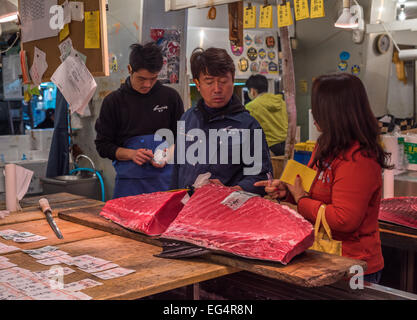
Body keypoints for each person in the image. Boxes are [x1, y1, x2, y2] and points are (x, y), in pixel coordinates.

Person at [255, 73, 390, 284]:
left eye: (319, 108)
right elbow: (313, 189)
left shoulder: (359, 157)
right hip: (324, 259)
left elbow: (344, 219)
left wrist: (301, 200)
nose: (314, 114)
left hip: (353, 267)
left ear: (335, 112)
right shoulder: (326, 144)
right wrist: (288, 192)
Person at [171, 47, 272, 195]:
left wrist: (229, 191)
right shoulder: (187, 118)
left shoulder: (248, 125)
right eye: (209, 82)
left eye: (223, 81)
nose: (217, 89)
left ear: (233, 80)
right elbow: (177, 169)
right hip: (186, 209)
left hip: (227, 211)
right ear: (197, 84)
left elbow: (261, 177)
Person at [95, 42, 184, 198]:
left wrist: (166, 153)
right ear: (130, 69)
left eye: (153, 78)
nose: (147, 84)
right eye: (141, 79)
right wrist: (131, 154)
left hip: (166, 185)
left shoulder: (170, 98)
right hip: (130, 186)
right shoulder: (113, 102)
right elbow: (103, 146)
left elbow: (182, 139)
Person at [245, 75, 288, 156]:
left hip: (268, 148)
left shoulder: (251, 106)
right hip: (286, 146)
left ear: (252, 91)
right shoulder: (281, 102)